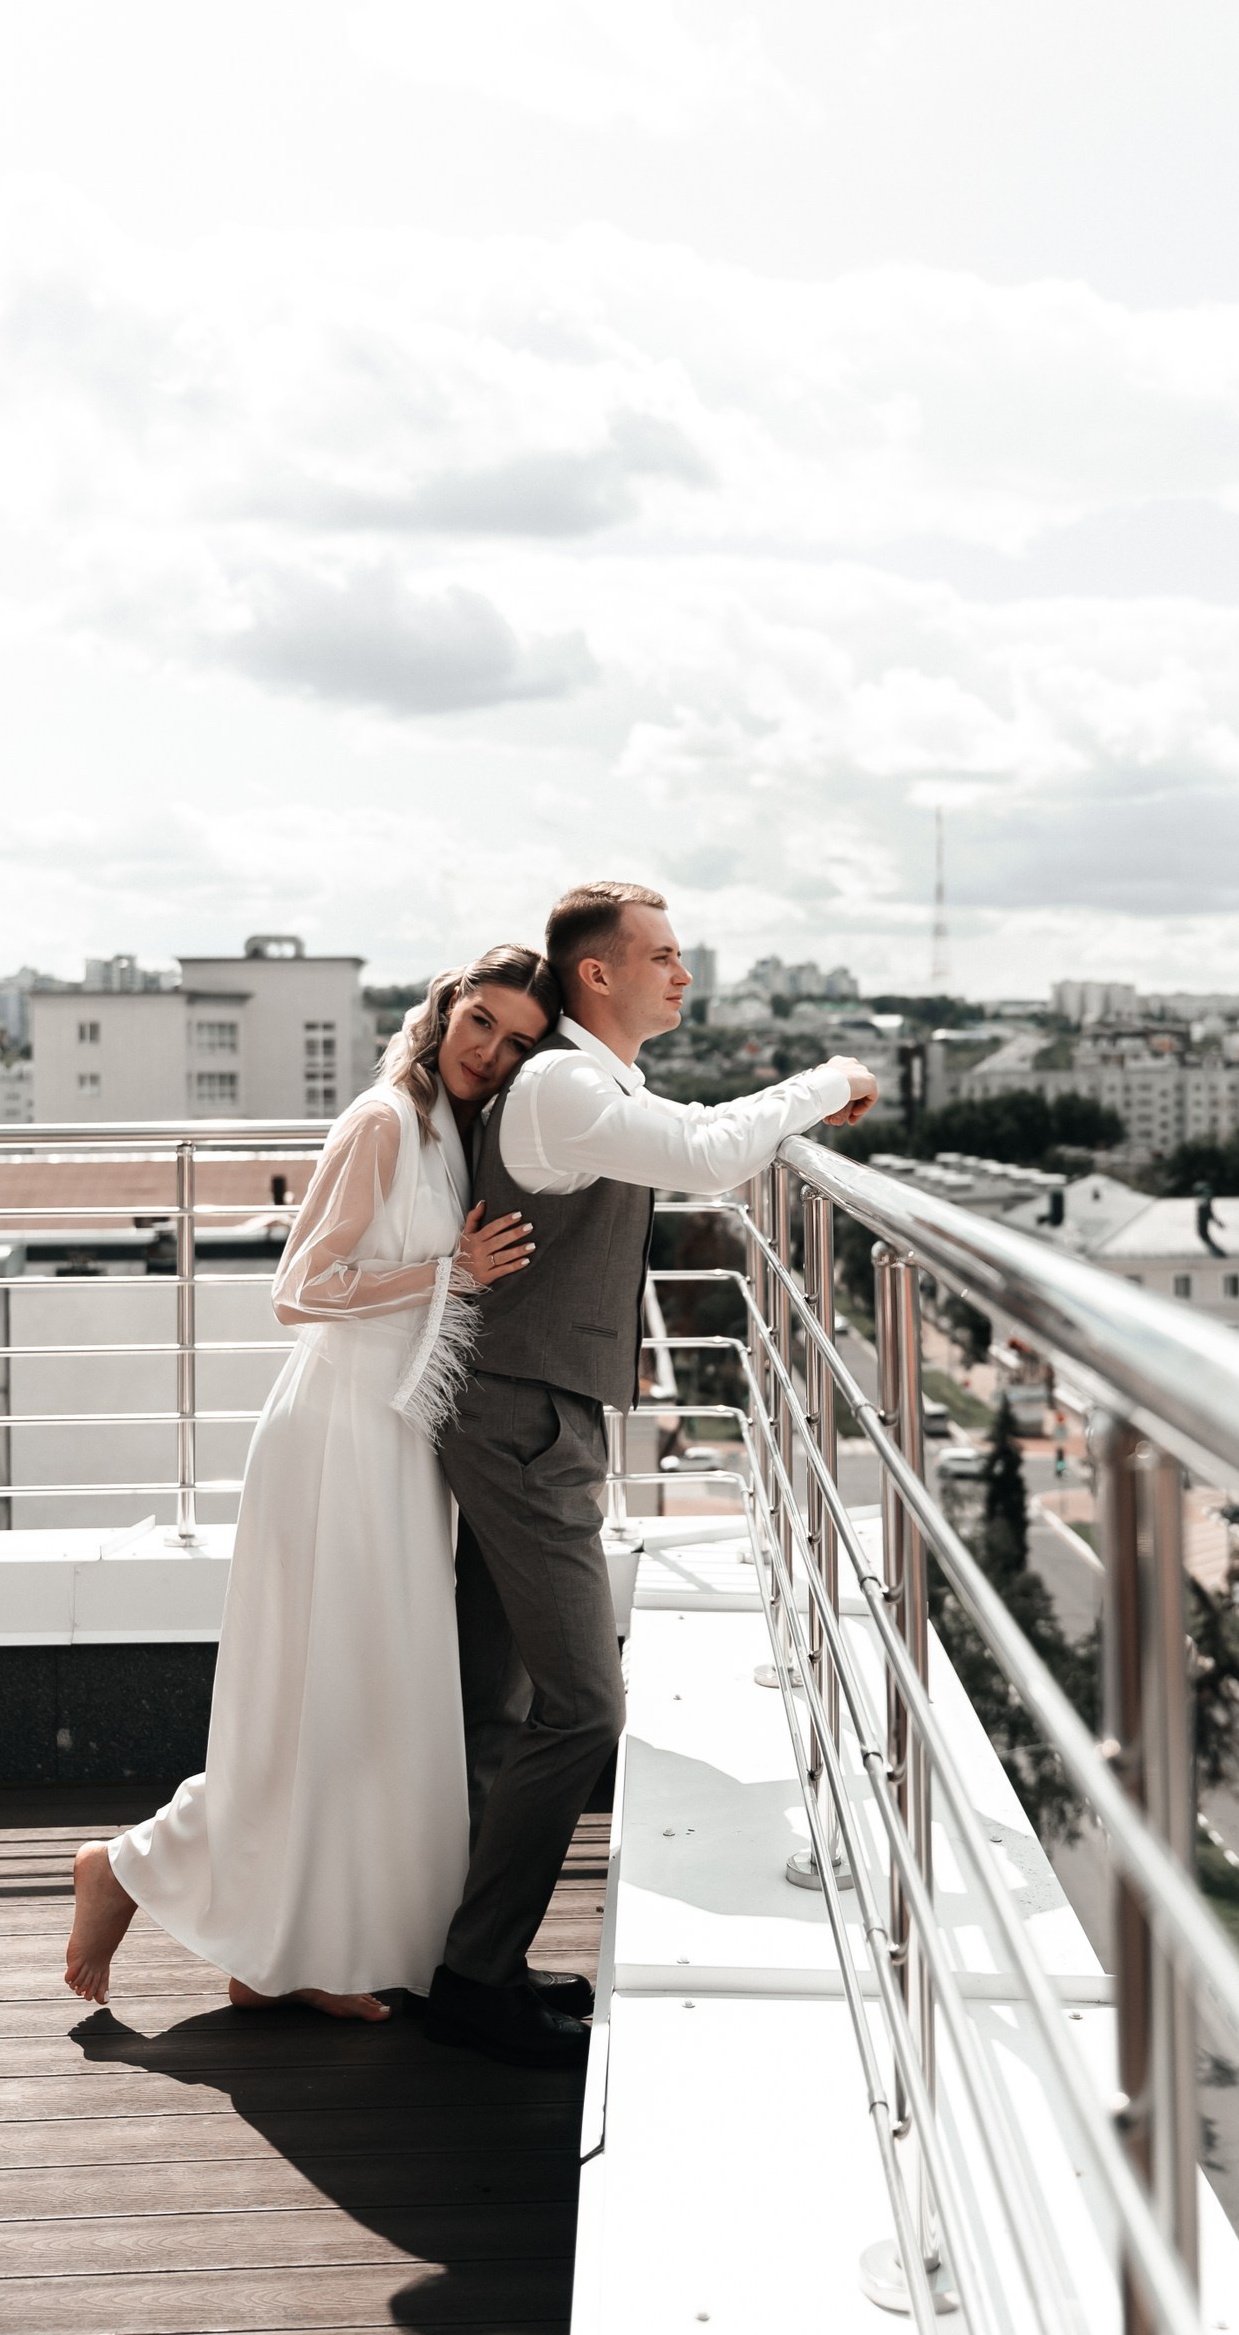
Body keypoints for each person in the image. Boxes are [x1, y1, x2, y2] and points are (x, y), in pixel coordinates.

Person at [424, 882, 878, 2068]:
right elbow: (710, 1154)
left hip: (527, 1408)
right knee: (583, 1706)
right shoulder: (564, 1087)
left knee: (498, 1699)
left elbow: (698, 1132)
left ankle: (469, 1951)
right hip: (524, 1421)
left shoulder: (598, 1085)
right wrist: (829, 1078)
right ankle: (473, 1973)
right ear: (598, 973)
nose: (683, 974)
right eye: (664, 956)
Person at [63, 945, 561, 2017]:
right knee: (323, 1702)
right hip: (334, 1439)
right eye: (481, 1021)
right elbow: (298, 1289)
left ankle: (281, 1956)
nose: (490, 1051)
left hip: (397, 1442)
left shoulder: (455, 1134)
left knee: (361, 1703)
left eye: (518, 1042)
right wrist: (448, 1273)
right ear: (446, 1008)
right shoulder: (384, 1120)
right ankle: (130, 1868)